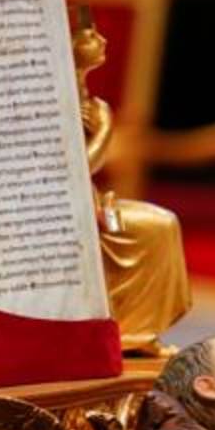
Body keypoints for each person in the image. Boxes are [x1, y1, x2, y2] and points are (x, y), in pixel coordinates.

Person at [73, 18, 190, 357]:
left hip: (96, 206)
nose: (102, 39)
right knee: (151, 228)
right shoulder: (54, 101)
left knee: (162, 223)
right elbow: (75, 171)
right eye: (90, 35)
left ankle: (136, 331)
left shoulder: (93, 105)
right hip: (67, 211)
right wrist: (105, 131)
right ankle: (129, 331)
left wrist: (105, 124)